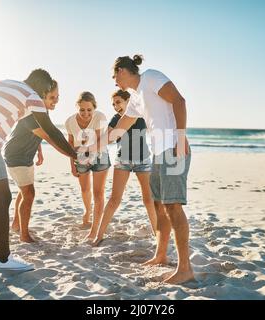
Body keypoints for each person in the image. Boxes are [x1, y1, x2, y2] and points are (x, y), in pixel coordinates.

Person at [0, 69, 77, 271]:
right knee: (2, 198)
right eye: (48, 93)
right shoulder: (32, 96)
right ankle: (4, 260)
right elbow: (51, 130)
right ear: (43, 87)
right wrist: (74, 155)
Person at [86, 55, 194, 284]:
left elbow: (179, 101)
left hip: (174, 148)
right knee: (159, 205)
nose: (114, 80)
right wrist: (95, 146)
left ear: (123, 71)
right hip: (158, 152)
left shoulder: (151, 78)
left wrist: (181, 137)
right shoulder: (135, 97)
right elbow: (121, 127)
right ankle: (161, 255)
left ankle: (185, 268)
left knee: (173, 206)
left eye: (115, 75)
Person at [4, 80, 69, 243]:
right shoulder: (31, 111)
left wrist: (38, 150)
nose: (56, 101)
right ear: (42, 97)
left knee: (24, 191)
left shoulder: (43, 113)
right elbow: (50, 136)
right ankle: (24, 235)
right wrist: (73, 155)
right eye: (52, 97)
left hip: (26, 155)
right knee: (29, 193)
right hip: (15, 154)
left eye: (58, 97)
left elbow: (36, 134)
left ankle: (16, 225)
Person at [92, 89, 157, 246]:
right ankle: (99, 236)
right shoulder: (115, 119)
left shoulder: (141, 117)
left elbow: (156, 128)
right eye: (113, 104)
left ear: (129, 101)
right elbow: (106, 138)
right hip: (123, 162)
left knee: (149, 200)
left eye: (118, 102)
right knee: (114, 199)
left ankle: (158, 234)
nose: (115, 106)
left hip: (144, 161)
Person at [65, 92, 110, 241]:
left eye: (89, 110)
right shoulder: (70, 121)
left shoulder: (100, 117)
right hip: (79, 157)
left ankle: (94, 229)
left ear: (94, 108)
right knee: (85, 189)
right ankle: (87, 211)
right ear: (77, 107)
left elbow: (97, 140)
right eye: (82, 109)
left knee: (98, 194)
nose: (86, 113)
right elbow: (70, 144)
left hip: (99, 156)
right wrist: (72, 164)